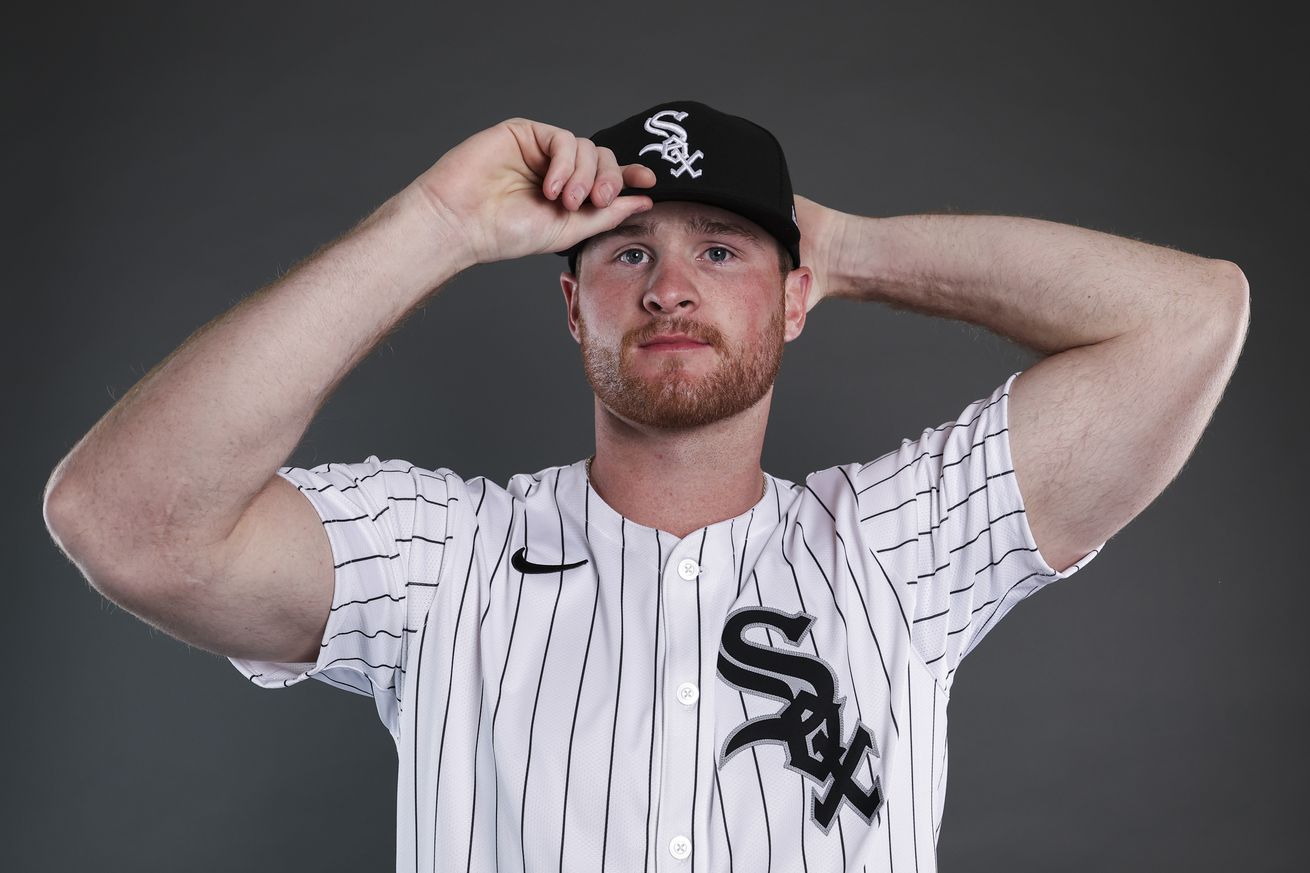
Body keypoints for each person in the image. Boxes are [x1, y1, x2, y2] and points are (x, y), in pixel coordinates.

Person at [42, 100, 1249, 872]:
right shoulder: (443, 558)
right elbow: (127, 521)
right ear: (572, 306)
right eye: (629, 254)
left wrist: (851, 250)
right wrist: (434, 225)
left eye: (719, 250)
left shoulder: (895, 551)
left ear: (789, 295)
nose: (669, 288)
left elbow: (1190, 318)